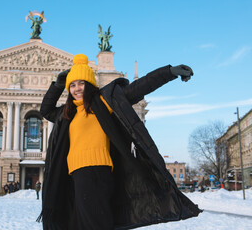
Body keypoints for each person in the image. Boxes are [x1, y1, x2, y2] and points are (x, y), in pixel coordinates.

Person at [37, 54, 201, 230]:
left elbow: (139, 87)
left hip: (97, 170)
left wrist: (169, 72)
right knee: (84, 222)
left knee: (95, 222)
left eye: (81, 83)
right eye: (72, 85)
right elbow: (45, 111)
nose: (77, 89)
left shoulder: (102, 102)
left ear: (90, 84)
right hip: (76, 173)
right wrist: (57, 85)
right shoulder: (67, 113)